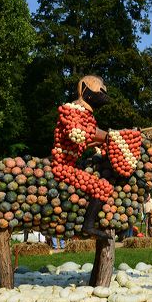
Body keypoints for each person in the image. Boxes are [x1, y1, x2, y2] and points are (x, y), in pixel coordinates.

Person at [51, 75, 112, 239]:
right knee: (103, 187)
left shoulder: (87, 114)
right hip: (62, 166)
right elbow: (78, 134)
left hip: (72, 164)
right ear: (85, 90)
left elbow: (87, 141)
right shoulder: (71, 110)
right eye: (99, 92)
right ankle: (88, 226)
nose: (102, 96)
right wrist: (108, 136)